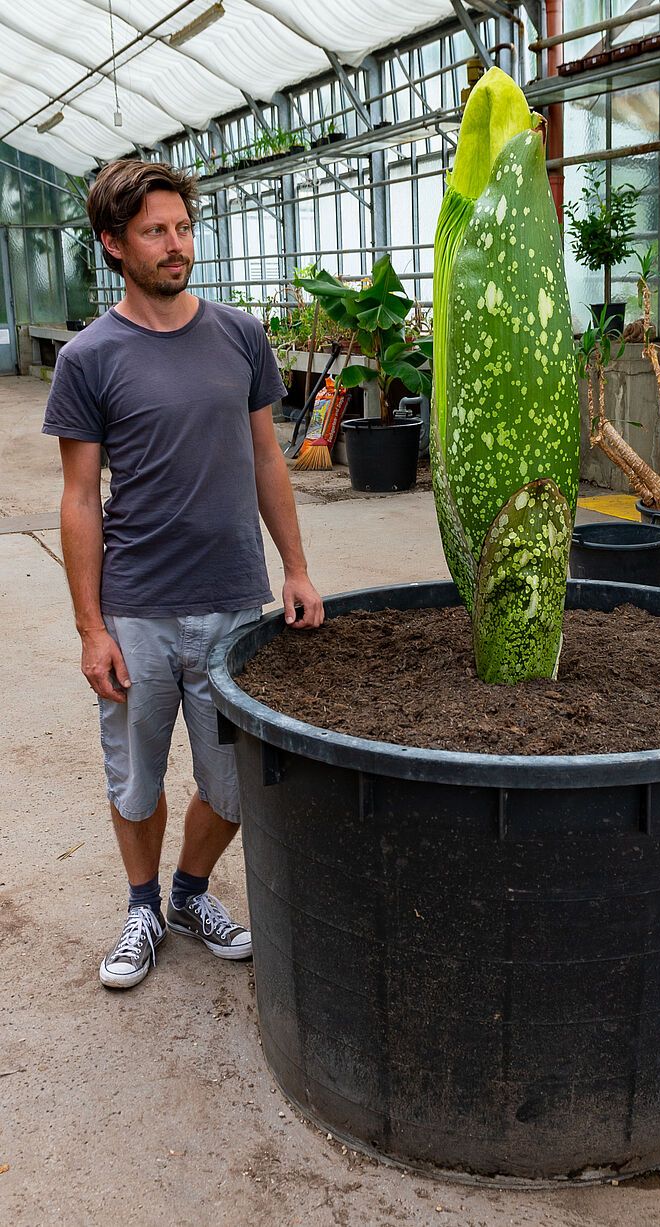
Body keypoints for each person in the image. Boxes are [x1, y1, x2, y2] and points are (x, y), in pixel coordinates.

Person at [43, 159, 324, 990]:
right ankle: (142, 908)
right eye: (155, 232)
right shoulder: (88, 357)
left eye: (183, 228)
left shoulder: (238, 334)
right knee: (135, 779)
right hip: (136, 609)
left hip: (234, 603)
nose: (176, 246)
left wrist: (296, 568)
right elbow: (78, 498)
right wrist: (91, 628)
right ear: (114, 244)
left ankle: (190, 893)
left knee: (233, 784)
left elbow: (267, 457)